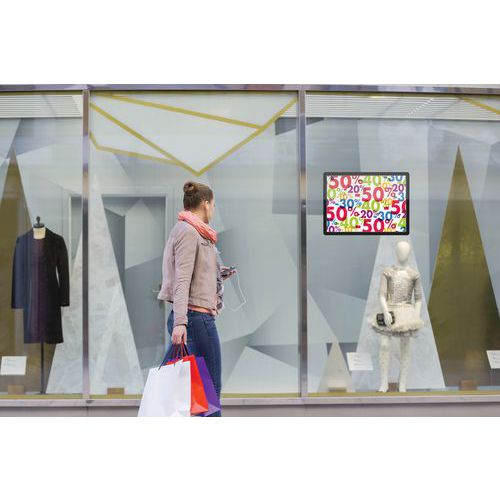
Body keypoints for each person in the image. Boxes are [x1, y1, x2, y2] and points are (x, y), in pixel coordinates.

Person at [157, 181, 236, 417]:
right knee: (209, 394)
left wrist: (216, 274)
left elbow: (190, 274)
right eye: (213, 205)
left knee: (197, 394)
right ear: (205, 204)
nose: (213, 210)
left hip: (191, 318)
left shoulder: (194, 231)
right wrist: (181, 322)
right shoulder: (189, 232)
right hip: (196, 320)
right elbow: (181, 280)